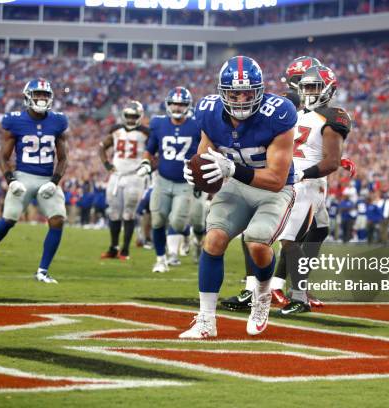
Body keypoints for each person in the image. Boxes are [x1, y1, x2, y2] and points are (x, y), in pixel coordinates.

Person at [180, 56, 297, 338]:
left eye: (248, 92)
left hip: (274, 189)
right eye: (235, 93)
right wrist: (197, 171)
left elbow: (276, 179)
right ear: (223, 92)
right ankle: (206, 321)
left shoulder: (278, 113)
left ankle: (263, 294)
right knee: (214, 240)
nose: (242, 99)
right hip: (235, 185)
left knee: (256, 243)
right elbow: (204, 155)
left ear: (260, 91)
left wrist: (232, 168)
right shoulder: (208, 112)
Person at [272, 65, 353, 315]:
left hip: (307, 184)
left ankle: (298, 296)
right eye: (306, 86)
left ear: (329, 89)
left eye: (315, 87)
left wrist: (300, 173)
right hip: (297, 182)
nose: (309, 91)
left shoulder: (333, 115)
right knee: (319, 229)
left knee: (288, 240)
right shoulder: (298, 115)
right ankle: (278, 286)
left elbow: (330, 161)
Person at [0, 79, 68, 283]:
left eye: (45, 95)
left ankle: (42, 271)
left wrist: (54, 181)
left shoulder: (58, 121)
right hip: (23, 176)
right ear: (28, 96)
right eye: (38, 94)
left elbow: (63, 159)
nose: (42, 98)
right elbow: (3, 157)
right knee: (9, 219)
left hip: (46, 178)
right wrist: (11, 180)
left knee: (58, 219)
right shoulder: (15, 121)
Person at [137, 87, 201, 272]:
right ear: (168, 104)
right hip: (162, 180)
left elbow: (203, 151)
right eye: (174, 103)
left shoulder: (196, 125)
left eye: (181, 104)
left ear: (188, 106)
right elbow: (150, 148)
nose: (177, 107)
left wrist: (200, 178)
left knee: (178, 222)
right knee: (157, 220)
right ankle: (160, 259)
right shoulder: (158, 123)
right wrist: (145, 163)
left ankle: (178, 248)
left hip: (185, 182)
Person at [99, 101, 149, 260]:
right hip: (116, 175)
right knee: (113, 213)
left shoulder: (146, 133)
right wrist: (107, 164)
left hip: (135, 176)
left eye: (134, 116)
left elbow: (154, 152)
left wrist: (147, 167)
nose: (131, 119)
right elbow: (102, 147)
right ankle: (113, 247)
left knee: (129, 213)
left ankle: (125, 250)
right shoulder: (116, 130)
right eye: (128, 116)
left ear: (140, 116)